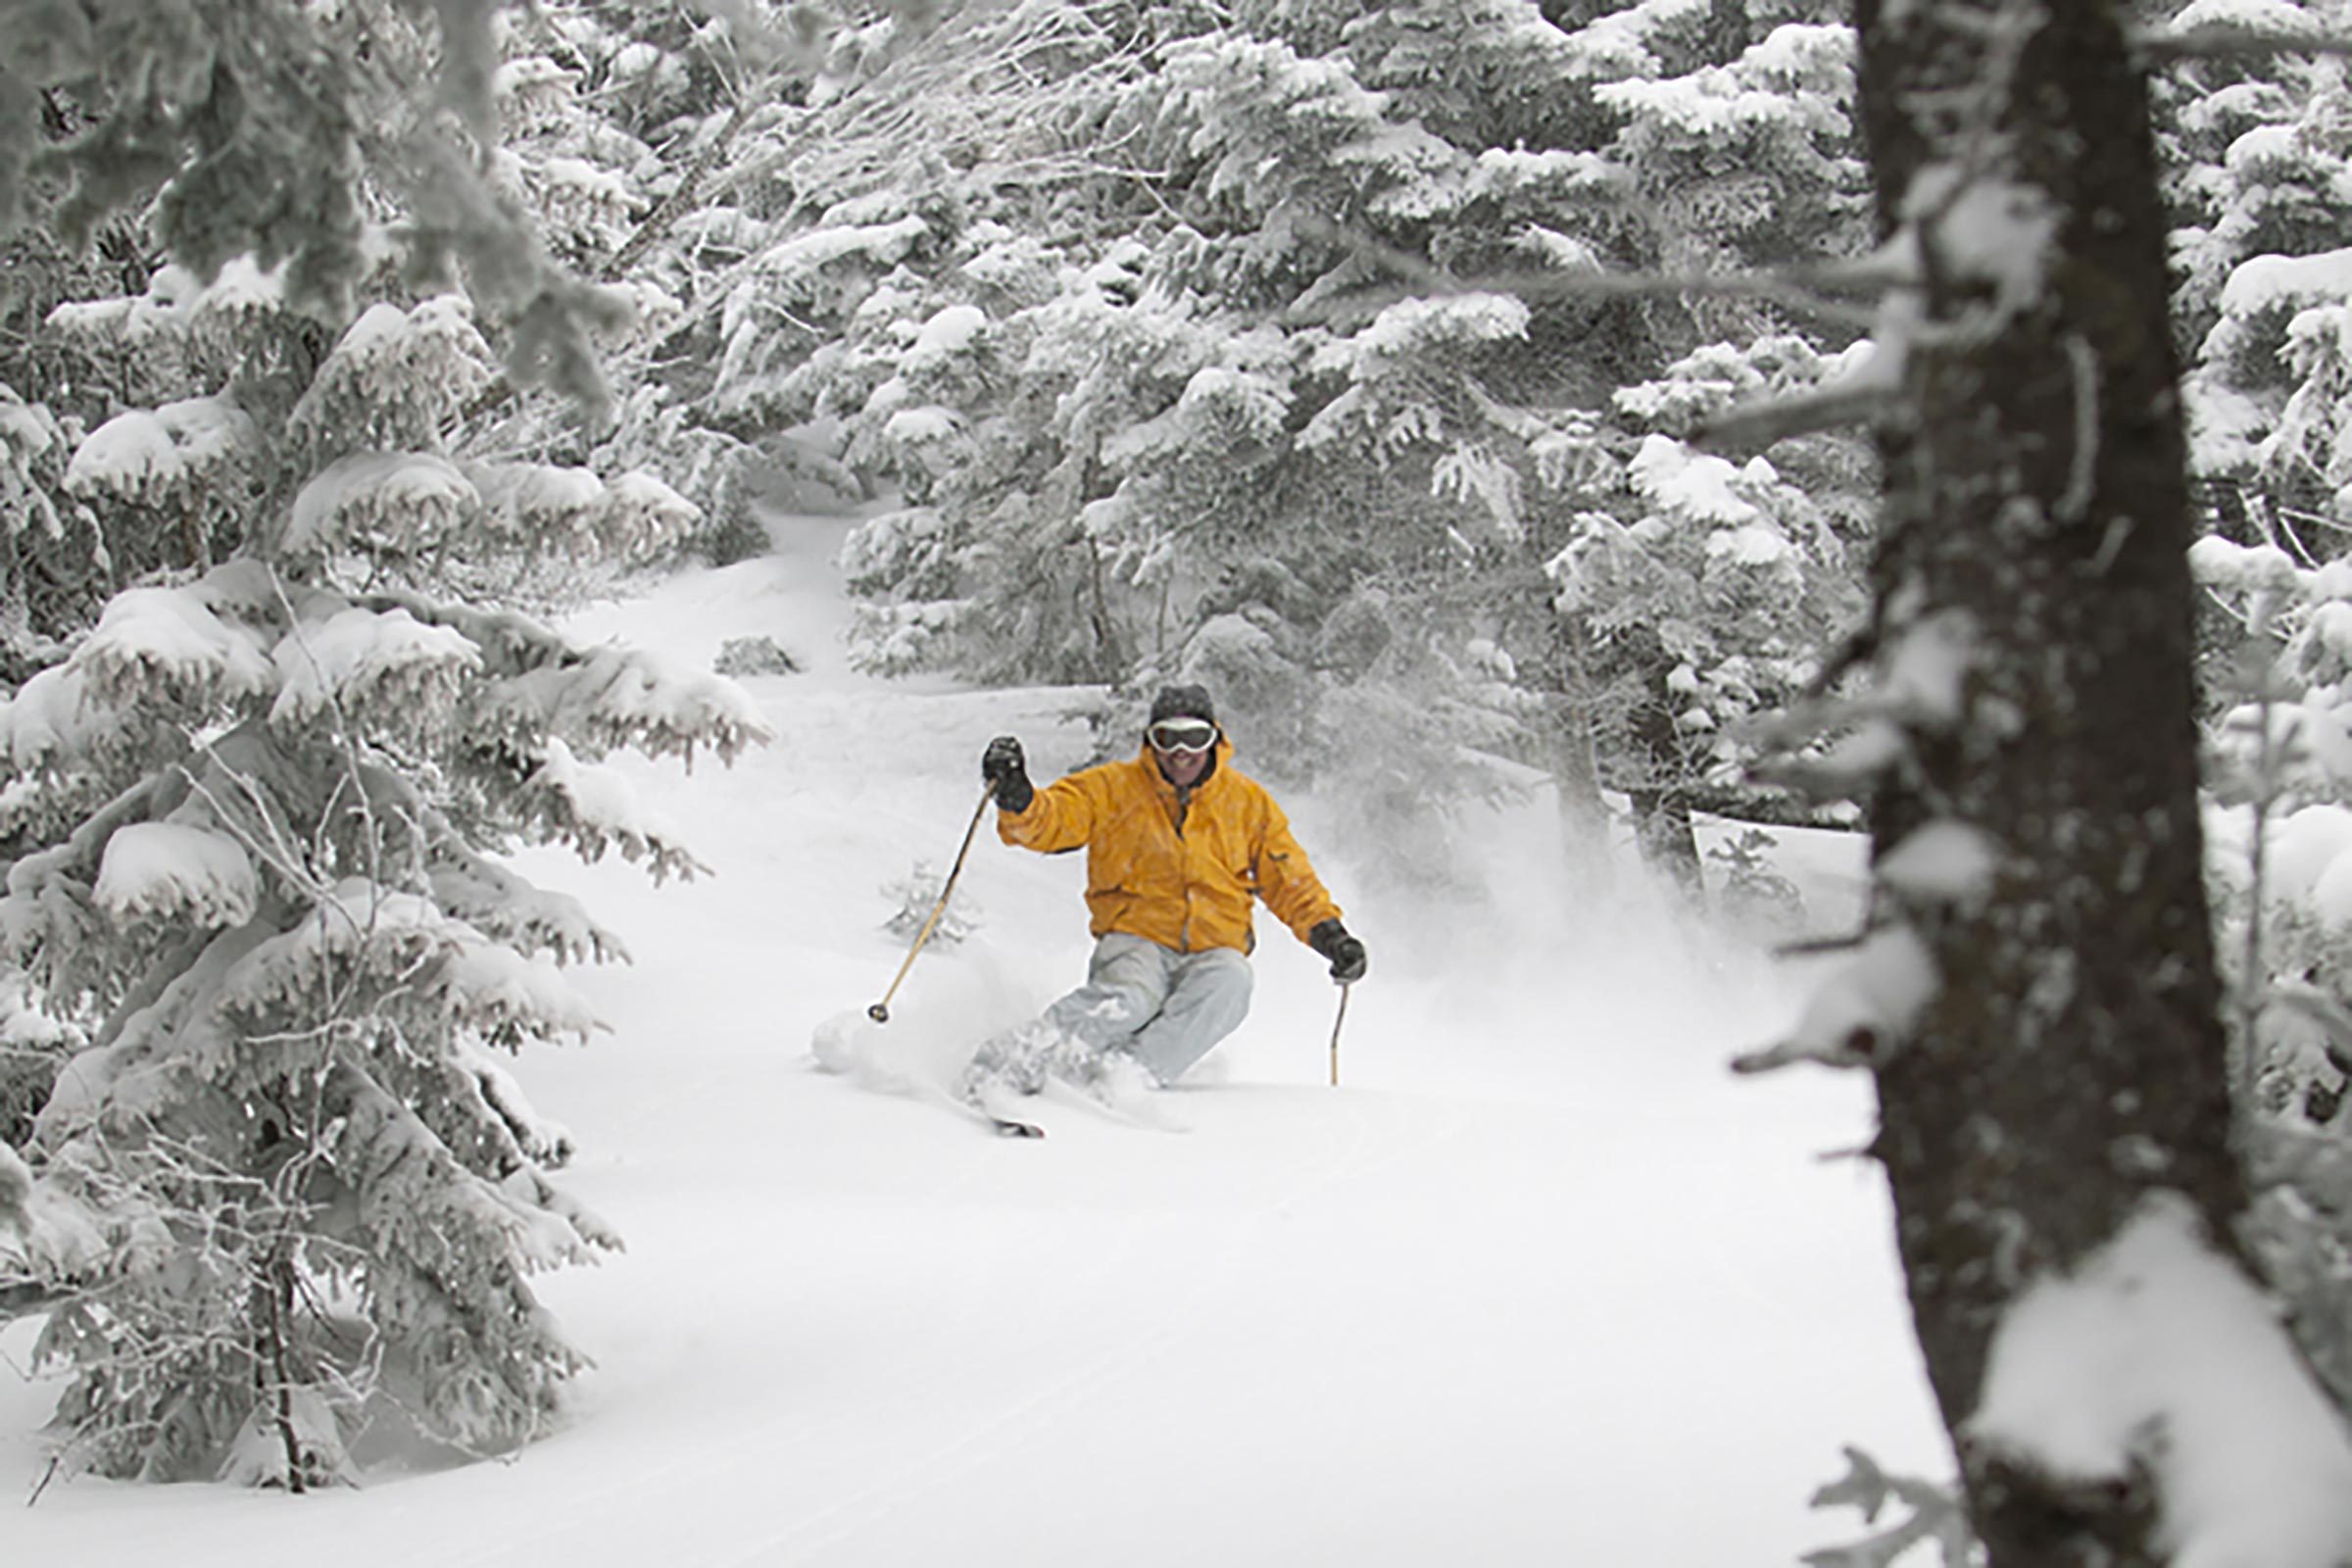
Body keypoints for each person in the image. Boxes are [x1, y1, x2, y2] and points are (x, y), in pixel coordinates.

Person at [957, 683, 1367, 1109]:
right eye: (1168, 738)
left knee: (1232, 983)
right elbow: (1054, 819)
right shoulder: (1114, 788)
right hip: (1136, 939)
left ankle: (1122, 1077)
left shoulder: (1247, 804)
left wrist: (1330, 935)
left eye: (1195, 738)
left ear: (1214, 740)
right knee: (1132, 999)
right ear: (1151, 741)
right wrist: (1018, 798)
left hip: (1213, 947)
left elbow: (1289, 880)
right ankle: (1005, 1065)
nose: (1181, 752)